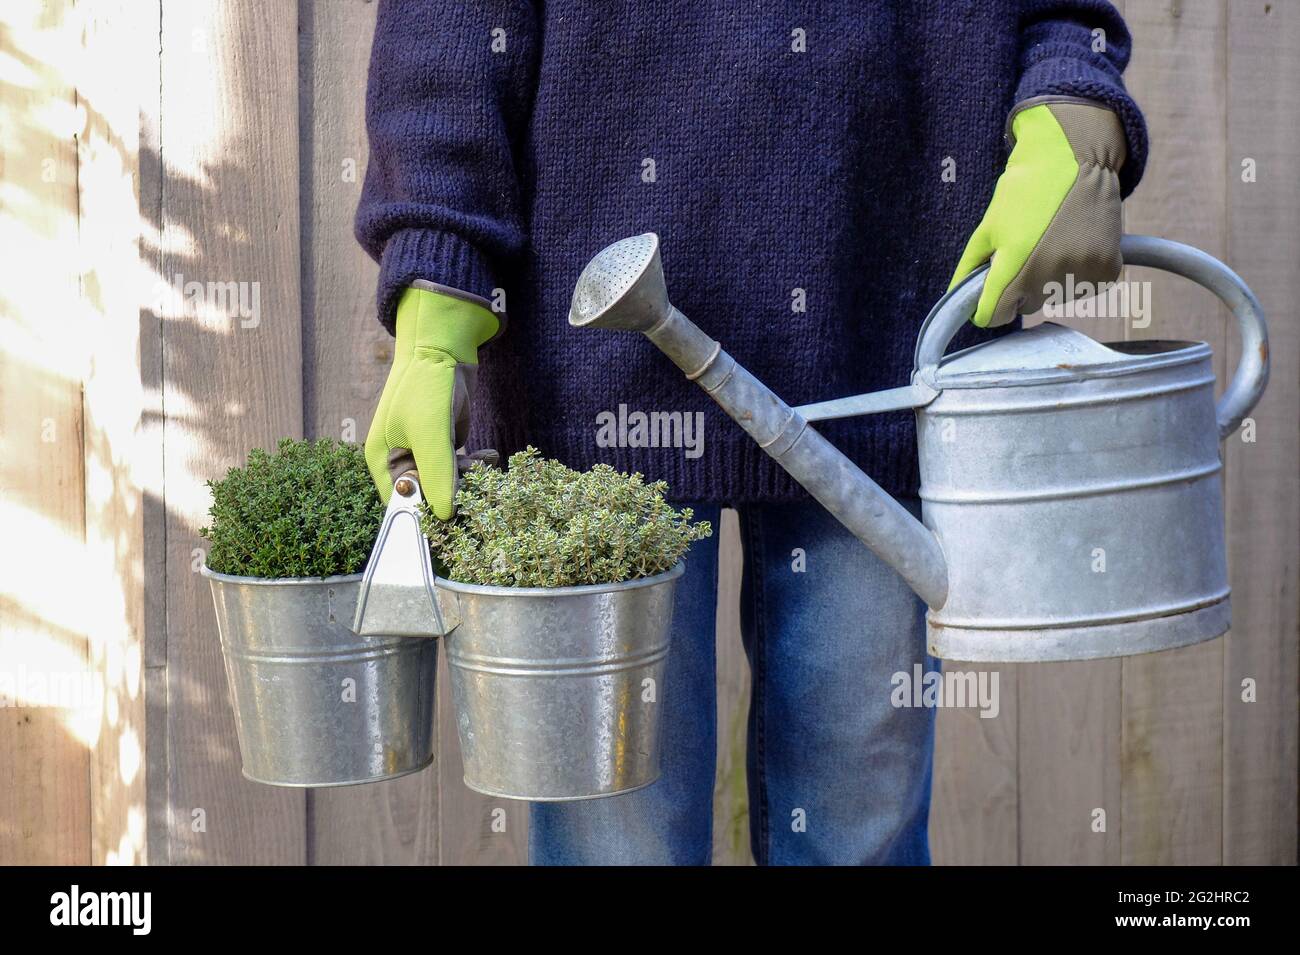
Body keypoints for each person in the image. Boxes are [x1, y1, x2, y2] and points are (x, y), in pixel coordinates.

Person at [355, 0, 1146, 865]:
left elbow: (1065, 17)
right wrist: (436, 286)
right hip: (596, 364)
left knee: (861, 834)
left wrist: (1075, 108)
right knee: (616, 842)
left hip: (881, 344)